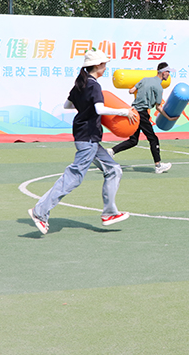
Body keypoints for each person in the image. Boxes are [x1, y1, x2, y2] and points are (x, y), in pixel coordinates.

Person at [28, 49, 136, 235]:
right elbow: (100, 109)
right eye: (104, 64)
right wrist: (124, 112)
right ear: (97, 66)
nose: (105, 68)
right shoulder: (94, 86)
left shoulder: (80, 84)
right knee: (73, 177)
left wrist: (84, 107)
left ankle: (109, 213)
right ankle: (40, 212)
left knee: (114, 170)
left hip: (86, 137)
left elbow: (67, 105)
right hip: (88, 138)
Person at [107, 62, 177, 174]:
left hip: (133, 112)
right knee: (153, 139)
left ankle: (111, 151)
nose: (169, 74)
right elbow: (158, 107)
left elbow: (131, 91)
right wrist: (169, 118)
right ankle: (158, 165)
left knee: (133, 141)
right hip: (142, 114)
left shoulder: (144, 80)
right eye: (168, 72)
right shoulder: (159, 87)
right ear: (163, 72)